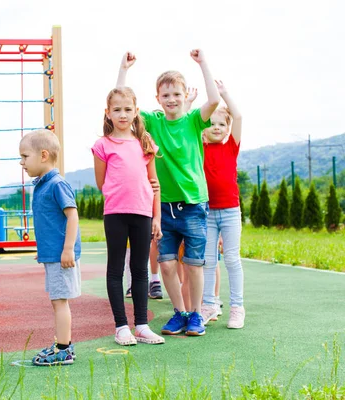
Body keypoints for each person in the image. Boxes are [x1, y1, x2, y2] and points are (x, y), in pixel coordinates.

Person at [117, 49, 220, 336]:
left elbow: (214, 100)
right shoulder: (155, 122)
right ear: (158, 99)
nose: (172, 100)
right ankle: (180, 313)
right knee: (166, 264)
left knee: (194, 264)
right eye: (166, 95)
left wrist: (203, 62)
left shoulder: (193, 121)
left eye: (177, 94)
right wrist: (124, 69)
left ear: (186, 95)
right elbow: (122, 103)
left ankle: (197, 315)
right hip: (163, 207)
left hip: (193, 203)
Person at [92, 87, 165, 346]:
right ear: (108, 113)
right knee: (115, 269)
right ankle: (122, 327)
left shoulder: (145, 144)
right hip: (115, 213)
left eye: (127, 109)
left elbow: (154, 182)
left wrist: (156, 217)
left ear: (136, 112)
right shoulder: (103, 145)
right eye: (117, 110)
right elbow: (101, 182)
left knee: (140, 270)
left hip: (143, 213)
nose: (122, 115)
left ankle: (142, 326)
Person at [19, 129, 82, 365]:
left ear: (43, 155)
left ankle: (63, 349)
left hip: (61, 256)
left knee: (60, 301)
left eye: (25, 156)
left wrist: (67, 249)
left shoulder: (57, 184)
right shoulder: (42, 185)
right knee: (57, 300)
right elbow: (51, 222)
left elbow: (72, 216)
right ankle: (61, 344)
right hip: (53, 254)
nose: (22, 162)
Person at [198, 80, 245, 329]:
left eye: (221, 124)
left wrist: (225, 94)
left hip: (229, 212)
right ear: (203, 128)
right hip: (206, 212)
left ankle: (237, 308)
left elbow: (237, 115)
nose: (216, 128)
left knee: (232, 259)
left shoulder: (231, 147)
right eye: (211, 124)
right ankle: (209, 305)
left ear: (227, 129)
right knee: (208, 260)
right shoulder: (199, 148)